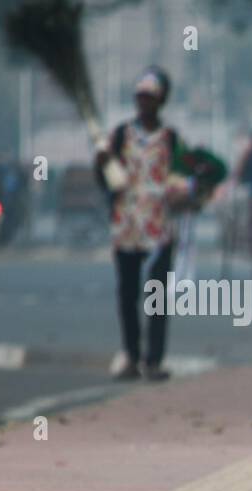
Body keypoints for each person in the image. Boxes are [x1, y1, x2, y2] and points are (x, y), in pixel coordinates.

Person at [95, 68, 179, 381]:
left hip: (159, 227)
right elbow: (106, 178)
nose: (144, 103)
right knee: (127, 294)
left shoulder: (170, 139)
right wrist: (103, 165)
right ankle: (131, 355)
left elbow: (185, 176)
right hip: (127, 225)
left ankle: (153, 360)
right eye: (140, 97)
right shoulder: (120, 136)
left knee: (155, 295)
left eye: (151, 98)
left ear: (161, 102)